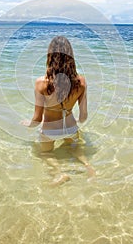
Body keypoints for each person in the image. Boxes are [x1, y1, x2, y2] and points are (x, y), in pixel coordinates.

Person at [22, 36, 95, 185]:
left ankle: (59, 173)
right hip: (71, 127)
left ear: (50, 56)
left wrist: (27, 124)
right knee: (75, 148)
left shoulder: (41, 83)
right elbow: (83, 116)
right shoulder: (81, 82)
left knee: (46, 153)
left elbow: (37, 119)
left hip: (50, 131)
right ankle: (89, 167)